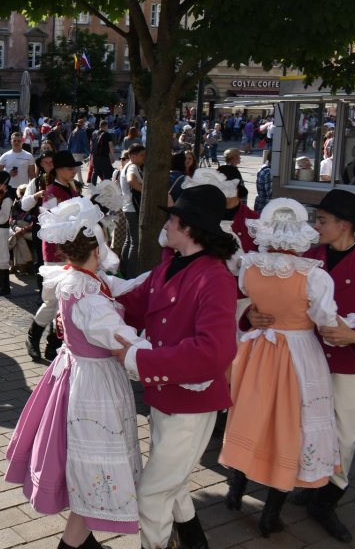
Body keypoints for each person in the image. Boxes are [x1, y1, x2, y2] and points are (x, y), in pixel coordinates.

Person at [245, 189, 355, 543]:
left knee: (345, 432)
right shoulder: (305, 257)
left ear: (345, 225)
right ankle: (308, 483)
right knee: (298, 427)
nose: (315, 226)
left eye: (322, 221)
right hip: (300, 360)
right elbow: (264, 296)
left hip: (344, 364)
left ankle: (327, 499)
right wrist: (251, 316)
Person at [6, 197, 147, 549]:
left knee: (86, 463)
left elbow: (120, 287)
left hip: (76, 373)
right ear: (97, 249)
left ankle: (83, 542)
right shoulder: (87, 294)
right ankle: (72, 544)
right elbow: (119, 337)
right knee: (95, 466)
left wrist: (159, 279)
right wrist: (160, 357)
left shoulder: (80, 278)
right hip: (93, 382)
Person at [110, 184, 239, 549]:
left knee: (151, 494)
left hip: (191, 405)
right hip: (164, 398)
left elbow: (214, 353)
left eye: (172, 219)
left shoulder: (215, 278)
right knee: (170, 480)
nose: (165, 225)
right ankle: (195, 540)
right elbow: (134, 303)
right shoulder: (171, 262)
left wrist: (140, 359)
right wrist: (83, 309)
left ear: (189, 228)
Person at [220, 198, 341, 538]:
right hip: (298, 355)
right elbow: (326, 321)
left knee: (249, 414)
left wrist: (253, 316)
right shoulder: (315, 276)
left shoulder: (250, 266)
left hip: (259, 350)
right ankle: (270, 513)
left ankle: (236, 488)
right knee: (291, 425)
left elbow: (241, 301)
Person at [27, 151, 82, 362]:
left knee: (64, 302)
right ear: (58, 170)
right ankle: (33, 337)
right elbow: (47, 221)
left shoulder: (73, 188)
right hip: (55, 254)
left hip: (73, 252)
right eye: (70, 168)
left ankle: (54, 344)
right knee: (52, 301)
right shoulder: (51, 192)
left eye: (74, 167)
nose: (74, 171)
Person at [119, 143, 144, 278]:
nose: (144, 158)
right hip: (133, 208)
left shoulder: (129, 166)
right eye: (141, 155)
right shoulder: (132, 167)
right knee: (135, 242)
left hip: (129, 207)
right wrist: (145, 191)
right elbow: (131, 181)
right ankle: (131, 274)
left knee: (129, 240)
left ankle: (124, 269)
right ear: (133, 156)